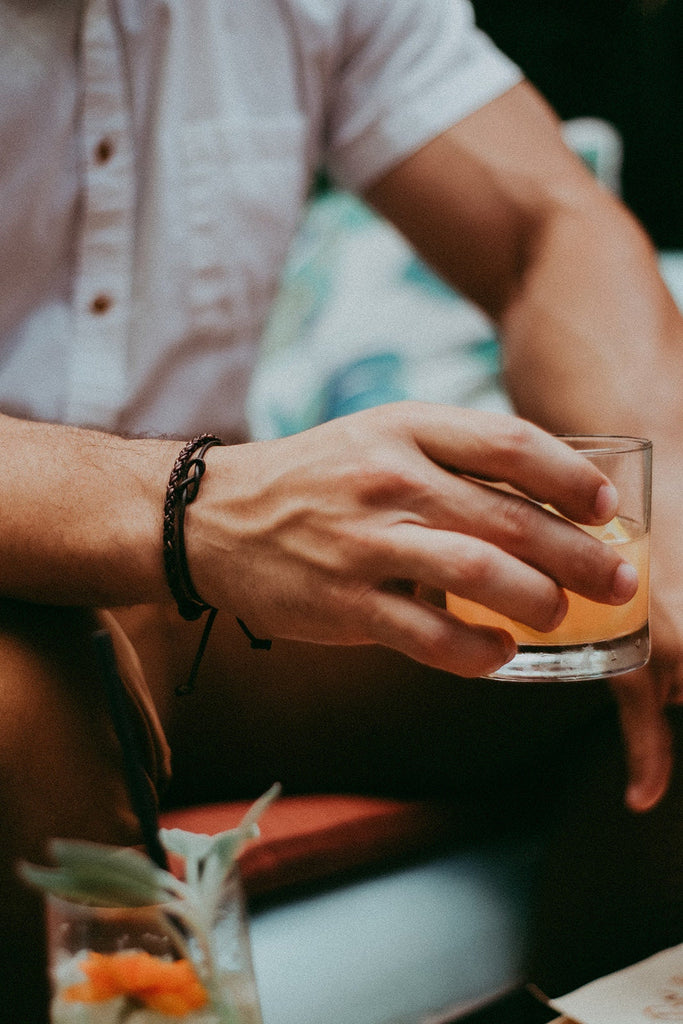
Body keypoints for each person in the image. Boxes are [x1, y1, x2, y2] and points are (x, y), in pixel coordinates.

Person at [0, 0, 681, 1020]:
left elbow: (545, 232)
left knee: (651, 626)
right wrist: (199, 501)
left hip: (212, 616)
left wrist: (664, 520)